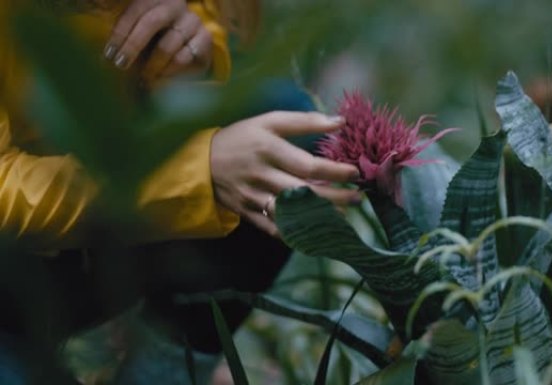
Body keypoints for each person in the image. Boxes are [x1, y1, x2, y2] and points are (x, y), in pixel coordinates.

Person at [0, 0, 361, 383]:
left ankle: (162, 371)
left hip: (109, 237)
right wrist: (197, 173)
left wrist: (188, 42)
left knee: (283, 131)